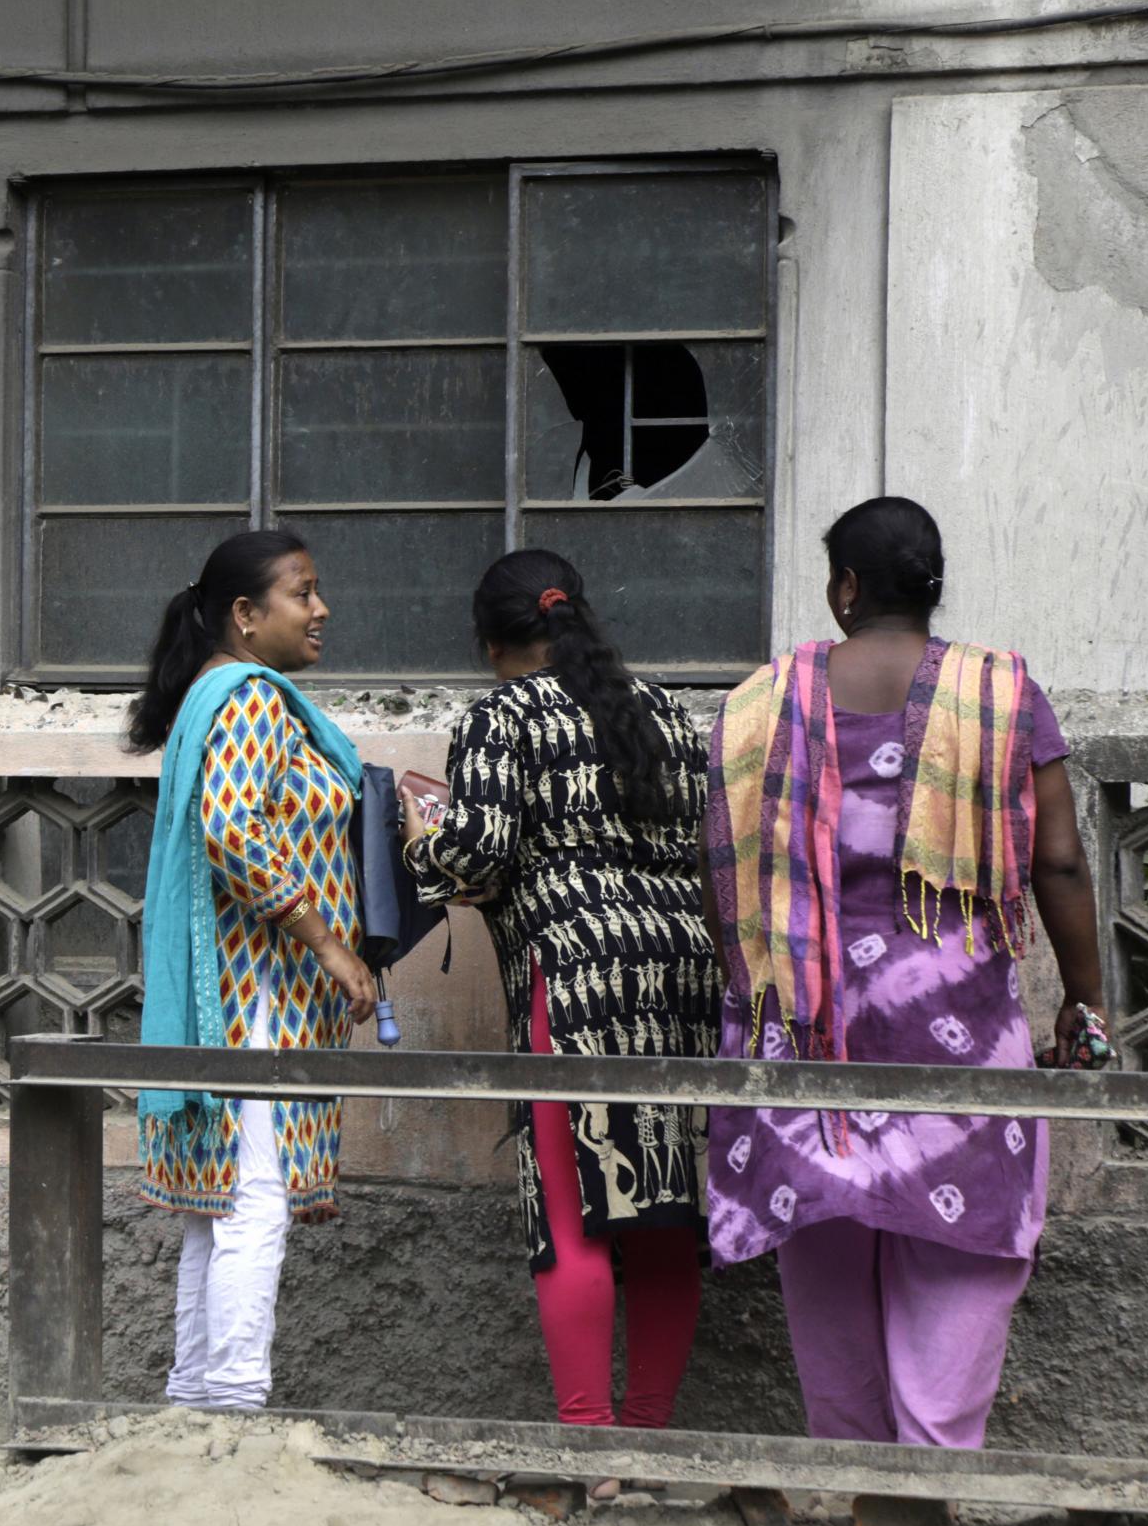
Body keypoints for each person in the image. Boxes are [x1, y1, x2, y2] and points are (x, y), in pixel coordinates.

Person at [703, 496, 1107, 1484]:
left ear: (844, 587)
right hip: (956, 1041)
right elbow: (1056, 865)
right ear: (931, 587)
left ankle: (853, 1491)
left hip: (805, 1043)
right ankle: (930, 1483)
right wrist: (1083, 1004)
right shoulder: (1004, 697)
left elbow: (722, 876)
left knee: (827, 1265)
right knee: (963, 1250)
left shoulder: (761, 702)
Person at [403, 550, 721, 1443]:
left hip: (577, 979)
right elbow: (703, 843)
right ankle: (648, 1440)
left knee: (573, 1216)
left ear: (489, 639)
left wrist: (418, 836)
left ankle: (588, 1441)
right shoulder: (661, 708)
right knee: (663, 1213)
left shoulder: (501, 716)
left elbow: (477, 857)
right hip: (680, 980)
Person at [129, 528, 378, 1413]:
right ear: (245, 614)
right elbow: (237, 832)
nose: (321, 610)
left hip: (237, 986)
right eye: (302, 593)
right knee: (254, 1201)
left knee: (223, 1204)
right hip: (253, 990)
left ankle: (195, 1398)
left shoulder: (215, 697)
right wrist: (329, 942)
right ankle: (234, 1405)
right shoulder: (252, 701)